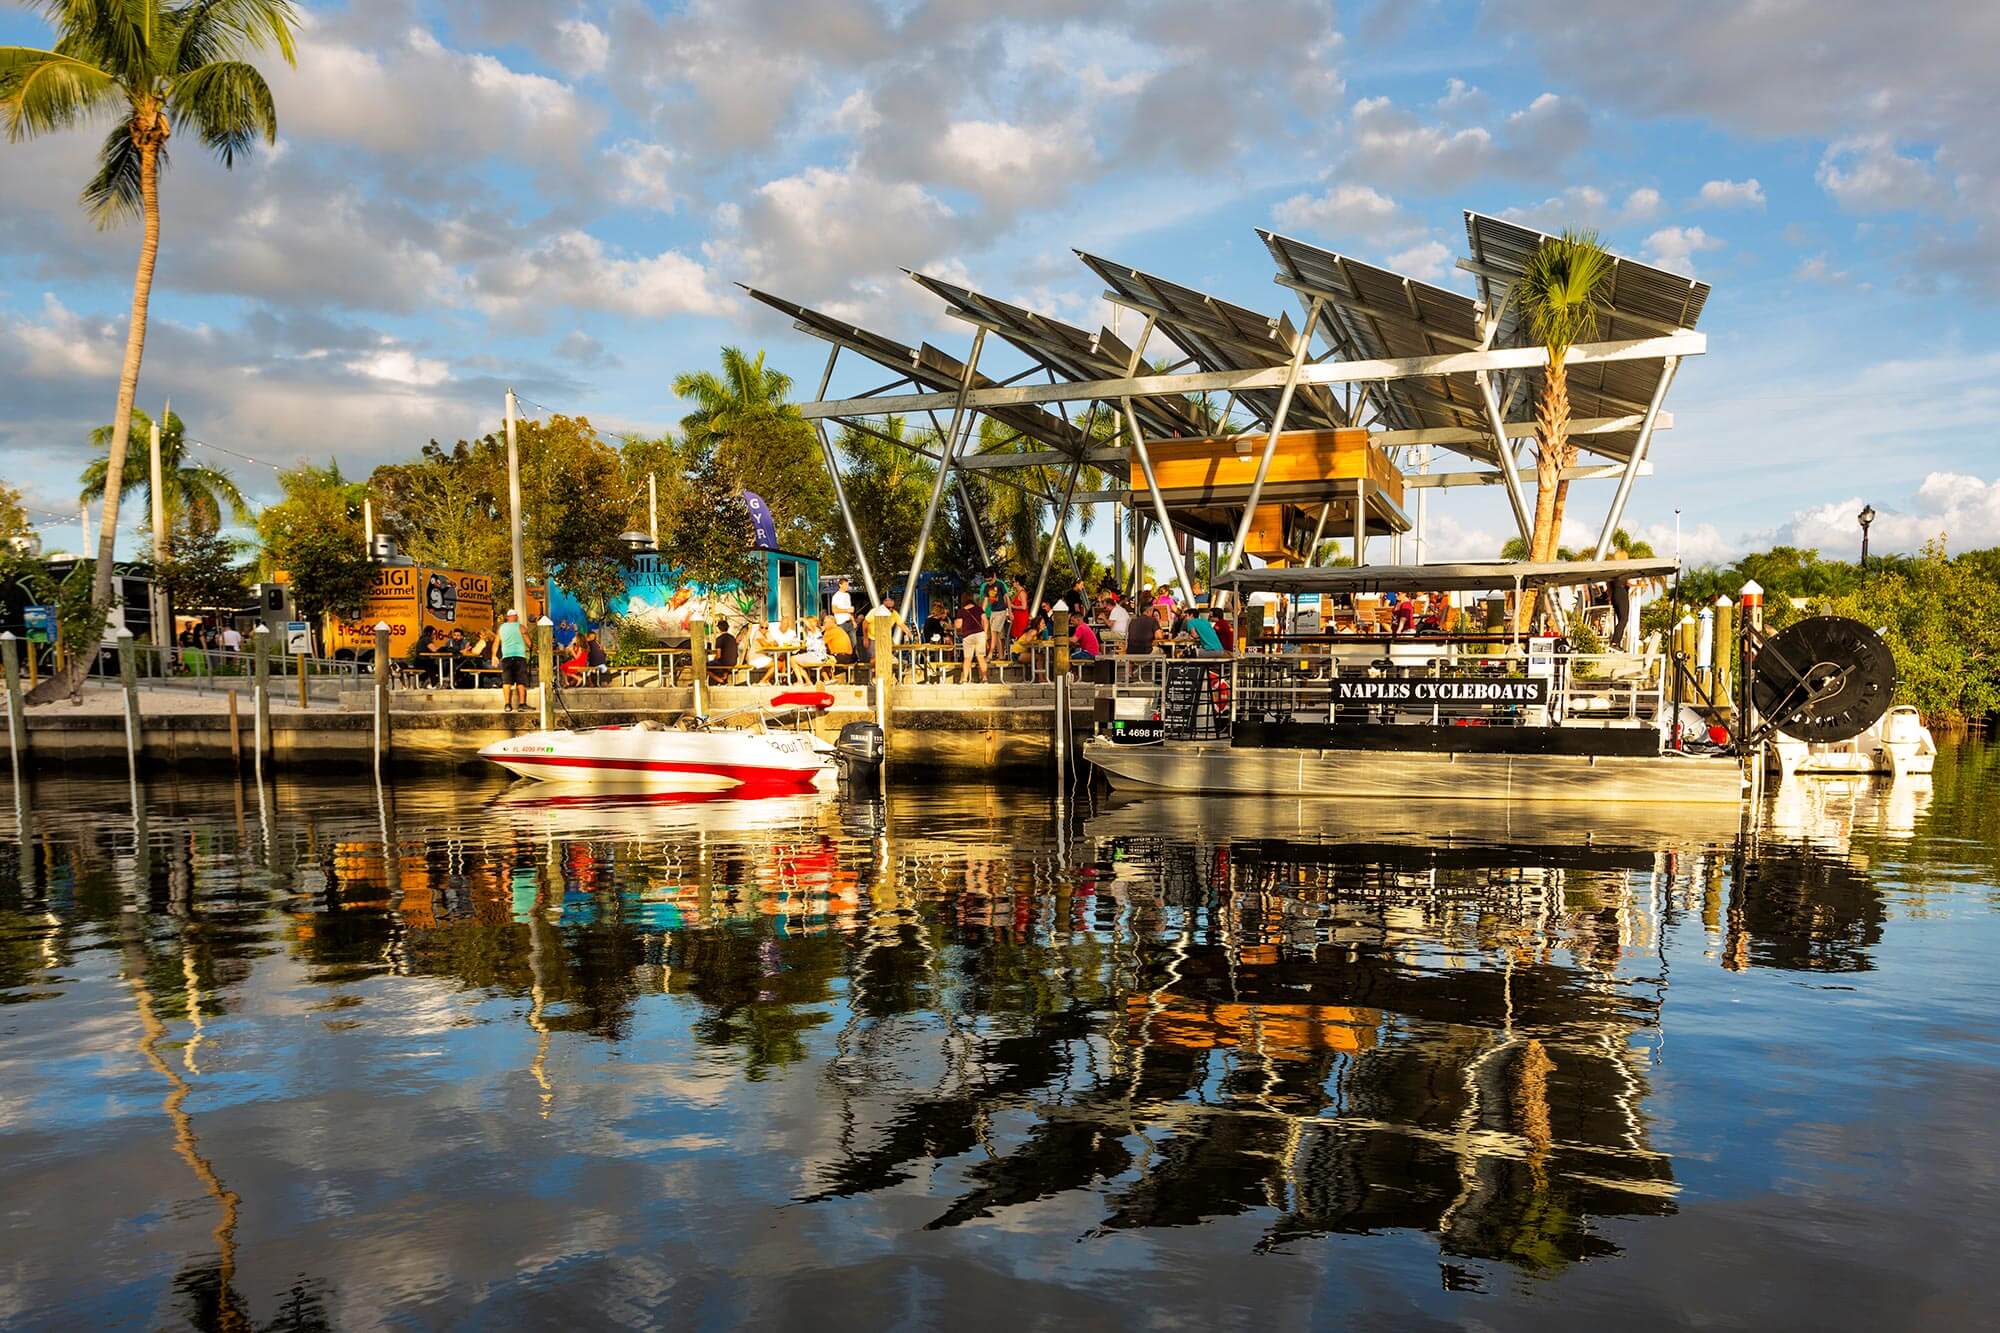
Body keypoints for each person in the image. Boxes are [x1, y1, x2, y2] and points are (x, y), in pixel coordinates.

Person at [497, 609, 530, 711]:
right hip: (519, 656)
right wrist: (530, 646)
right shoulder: (520, 627)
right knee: (521, 681)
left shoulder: (501, 628)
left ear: (507, 617)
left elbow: (496, 641)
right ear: (516, 617)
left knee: (506, 682)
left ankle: (507, 705)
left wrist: (494, 655)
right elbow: (529, 642)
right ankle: (522, 704)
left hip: (506, 657)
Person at [957, 591, 989, 682]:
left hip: (968, 636)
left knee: (967, 658)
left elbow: (959, 625)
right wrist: (985, 633)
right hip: (980, 635)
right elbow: (985, 621)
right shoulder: (979, 609)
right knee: (981, 657)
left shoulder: (961, 611)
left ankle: (964, 679)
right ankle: (985, 678)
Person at [708, 619, 740, 683]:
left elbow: (718, 656)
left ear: (719, 628)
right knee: (720, 662)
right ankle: (724, 677)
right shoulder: (733, 638)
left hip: (724, 663)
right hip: (734, 662)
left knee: (705, 666)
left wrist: (713, 660)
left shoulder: (719, 639)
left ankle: (720, 680)